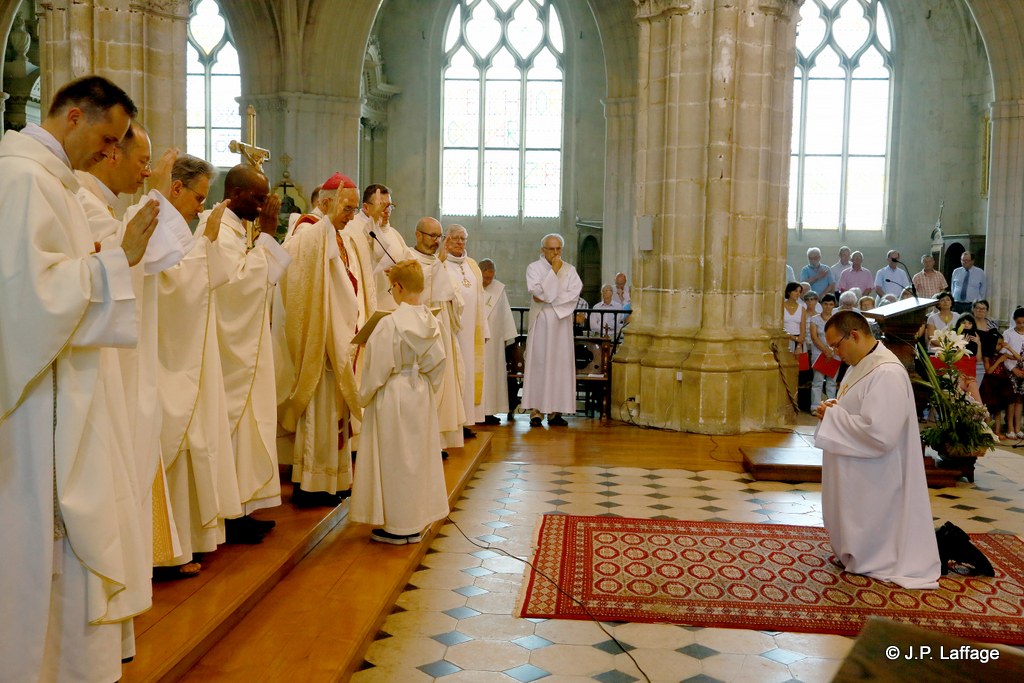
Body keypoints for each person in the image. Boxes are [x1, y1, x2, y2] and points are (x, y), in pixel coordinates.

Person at [0, 74, 160, 682]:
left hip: (64, 386)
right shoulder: (23, 180)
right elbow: (29, 299)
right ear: (72, 117)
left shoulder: (54, 183)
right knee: (41, 540)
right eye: (108, 138)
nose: (110, 153)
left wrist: (110, 261)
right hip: (37, 403)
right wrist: (117, 261)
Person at [151, 156, 243, 578]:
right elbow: (169, 287)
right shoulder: (153, 221)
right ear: (176, 188)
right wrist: (206, 243)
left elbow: (196, 276)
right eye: (198, 198)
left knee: (196, 442)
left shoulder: (176, 227)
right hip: (167, 359)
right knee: (177, 442)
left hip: (188, 356)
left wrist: (204, 244)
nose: (200, 207)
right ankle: (167, 551)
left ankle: (188, 540)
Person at [814, 311, 941, 589]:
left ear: (855, 335)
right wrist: (835, 407)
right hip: (859, 466)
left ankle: (874, 557)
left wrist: (834, 417)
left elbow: (880, 433)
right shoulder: (862, 364)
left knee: (872, 517)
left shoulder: (887, 372)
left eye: (837, 345)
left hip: (877, 471)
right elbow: (857, 406)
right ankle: (856, 554)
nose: (836, 353)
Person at [202, 164, 292, 543]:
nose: (263, 206)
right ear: (235, 193)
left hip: (249, 345)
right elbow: (236, 287)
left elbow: (259, 277)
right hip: (232, 351)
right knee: (235, 426)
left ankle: (244, 505)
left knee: (252, 425)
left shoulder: (237, 228)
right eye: (258, 198)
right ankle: (231, 511)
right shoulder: (218, 229)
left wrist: (262, 241)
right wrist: (267, 236)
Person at [275, 173, 363, 508]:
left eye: (354, 209)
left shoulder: (335, 233)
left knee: (336, 416)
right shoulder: (308, 230)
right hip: (320, 337)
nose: (351, 216)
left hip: (338, 335)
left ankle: (333, 481)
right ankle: (311, 484)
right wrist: (326, 223)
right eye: (347, 208)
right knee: (319, 414)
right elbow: (300, 278)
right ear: (326, 203)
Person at [350, 260, 449, 544]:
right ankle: (414, 523)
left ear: (398, 287)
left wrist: (363, 397)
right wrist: (425, 388)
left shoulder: (389, 324)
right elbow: (439, 364)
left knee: (395, 460)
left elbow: (376, 370)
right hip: (420, 391)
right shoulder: (433, 323)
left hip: (393, 393)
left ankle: (396, 526)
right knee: (416, 459)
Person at [405, 217, 467, 450]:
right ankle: (420, 441)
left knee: (444, 382)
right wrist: (437, 269)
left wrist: (453, 299)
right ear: (418, 235)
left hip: (442, 328)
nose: (436, 241)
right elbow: (413, 291)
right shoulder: (408, 258)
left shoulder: (440, 261)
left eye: (439, 237)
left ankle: (439, 441)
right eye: (432, 236)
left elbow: (453, 296)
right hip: (418, 332)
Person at [522, 234, 583, 427]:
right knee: (540, 364)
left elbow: (573, 295)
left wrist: (550, 298)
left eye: (558, 249)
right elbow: (537, 294)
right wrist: (553, 273)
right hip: (541, 321)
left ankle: (556, 411)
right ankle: (536, 412)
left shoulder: (570, 270)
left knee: (559, 364)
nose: (555, 253)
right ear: (543, 250)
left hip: (561, 322)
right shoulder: (534, 268)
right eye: (551, 249)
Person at [443, 224, 489, 437]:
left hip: (472, 332)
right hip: (451, 329)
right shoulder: (441, 263)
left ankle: (466, 421)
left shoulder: (472, 265)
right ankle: (453, 422)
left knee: (469, 372)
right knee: (454, 373)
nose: (460, 242)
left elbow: (480, 299)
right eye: (455, 238)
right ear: (446, 240)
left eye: (463, 239)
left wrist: (485, 329)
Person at [351, 183, 406, 311]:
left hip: (392, 303)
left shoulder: (394, 234)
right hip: (365, 302)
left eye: (389, 206)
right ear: (366, 207)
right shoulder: (353, 229)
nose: (387, 211)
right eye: (382, 206)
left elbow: (408, 263)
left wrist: (400, 271)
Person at [479, 258, 518, 424]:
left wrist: (506, 336)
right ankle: (476, 412)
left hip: (494, 342)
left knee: (493, 375)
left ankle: (489, 411)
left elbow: (505, 314)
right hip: (476, 339)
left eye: (491, 277)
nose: (488, 281)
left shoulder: (498, 289)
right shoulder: (472, 286)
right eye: (485, 278)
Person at [808, 294, 838, 407]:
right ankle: (815, 407)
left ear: (834, 305)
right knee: (817, 381)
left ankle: (831, 406)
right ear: (821, 304)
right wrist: (825, 350)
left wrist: (832, 350)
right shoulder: (814, 319)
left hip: (835, 352)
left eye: (831, 304)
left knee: (832, 382)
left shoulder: (837, 319)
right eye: (825, 304)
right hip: (818, 352)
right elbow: (814, 337)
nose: (828, 307)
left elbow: (840, 336)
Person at [1000, 308, 1024, 440]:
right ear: (1014, 320)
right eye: (1019, 323)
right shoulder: (1008, 333)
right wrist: (1013, 368)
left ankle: (1018, 428)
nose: (1022, 325)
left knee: (1020, 400)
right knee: (1011, 400)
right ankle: (1010, 428)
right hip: (1011, 369)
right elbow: (1003, 353)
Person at [782, 282, 806, 353]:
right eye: (795, 291)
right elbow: (779, 327)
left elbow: (803, 329)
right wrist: (793, 338)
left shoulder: (802, 308)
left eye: (799, 291)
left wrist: (799, 345)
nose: (798, 293)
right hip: (784, 339)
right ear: (789, 292)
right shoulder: (781, 307)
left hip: (798, 341)